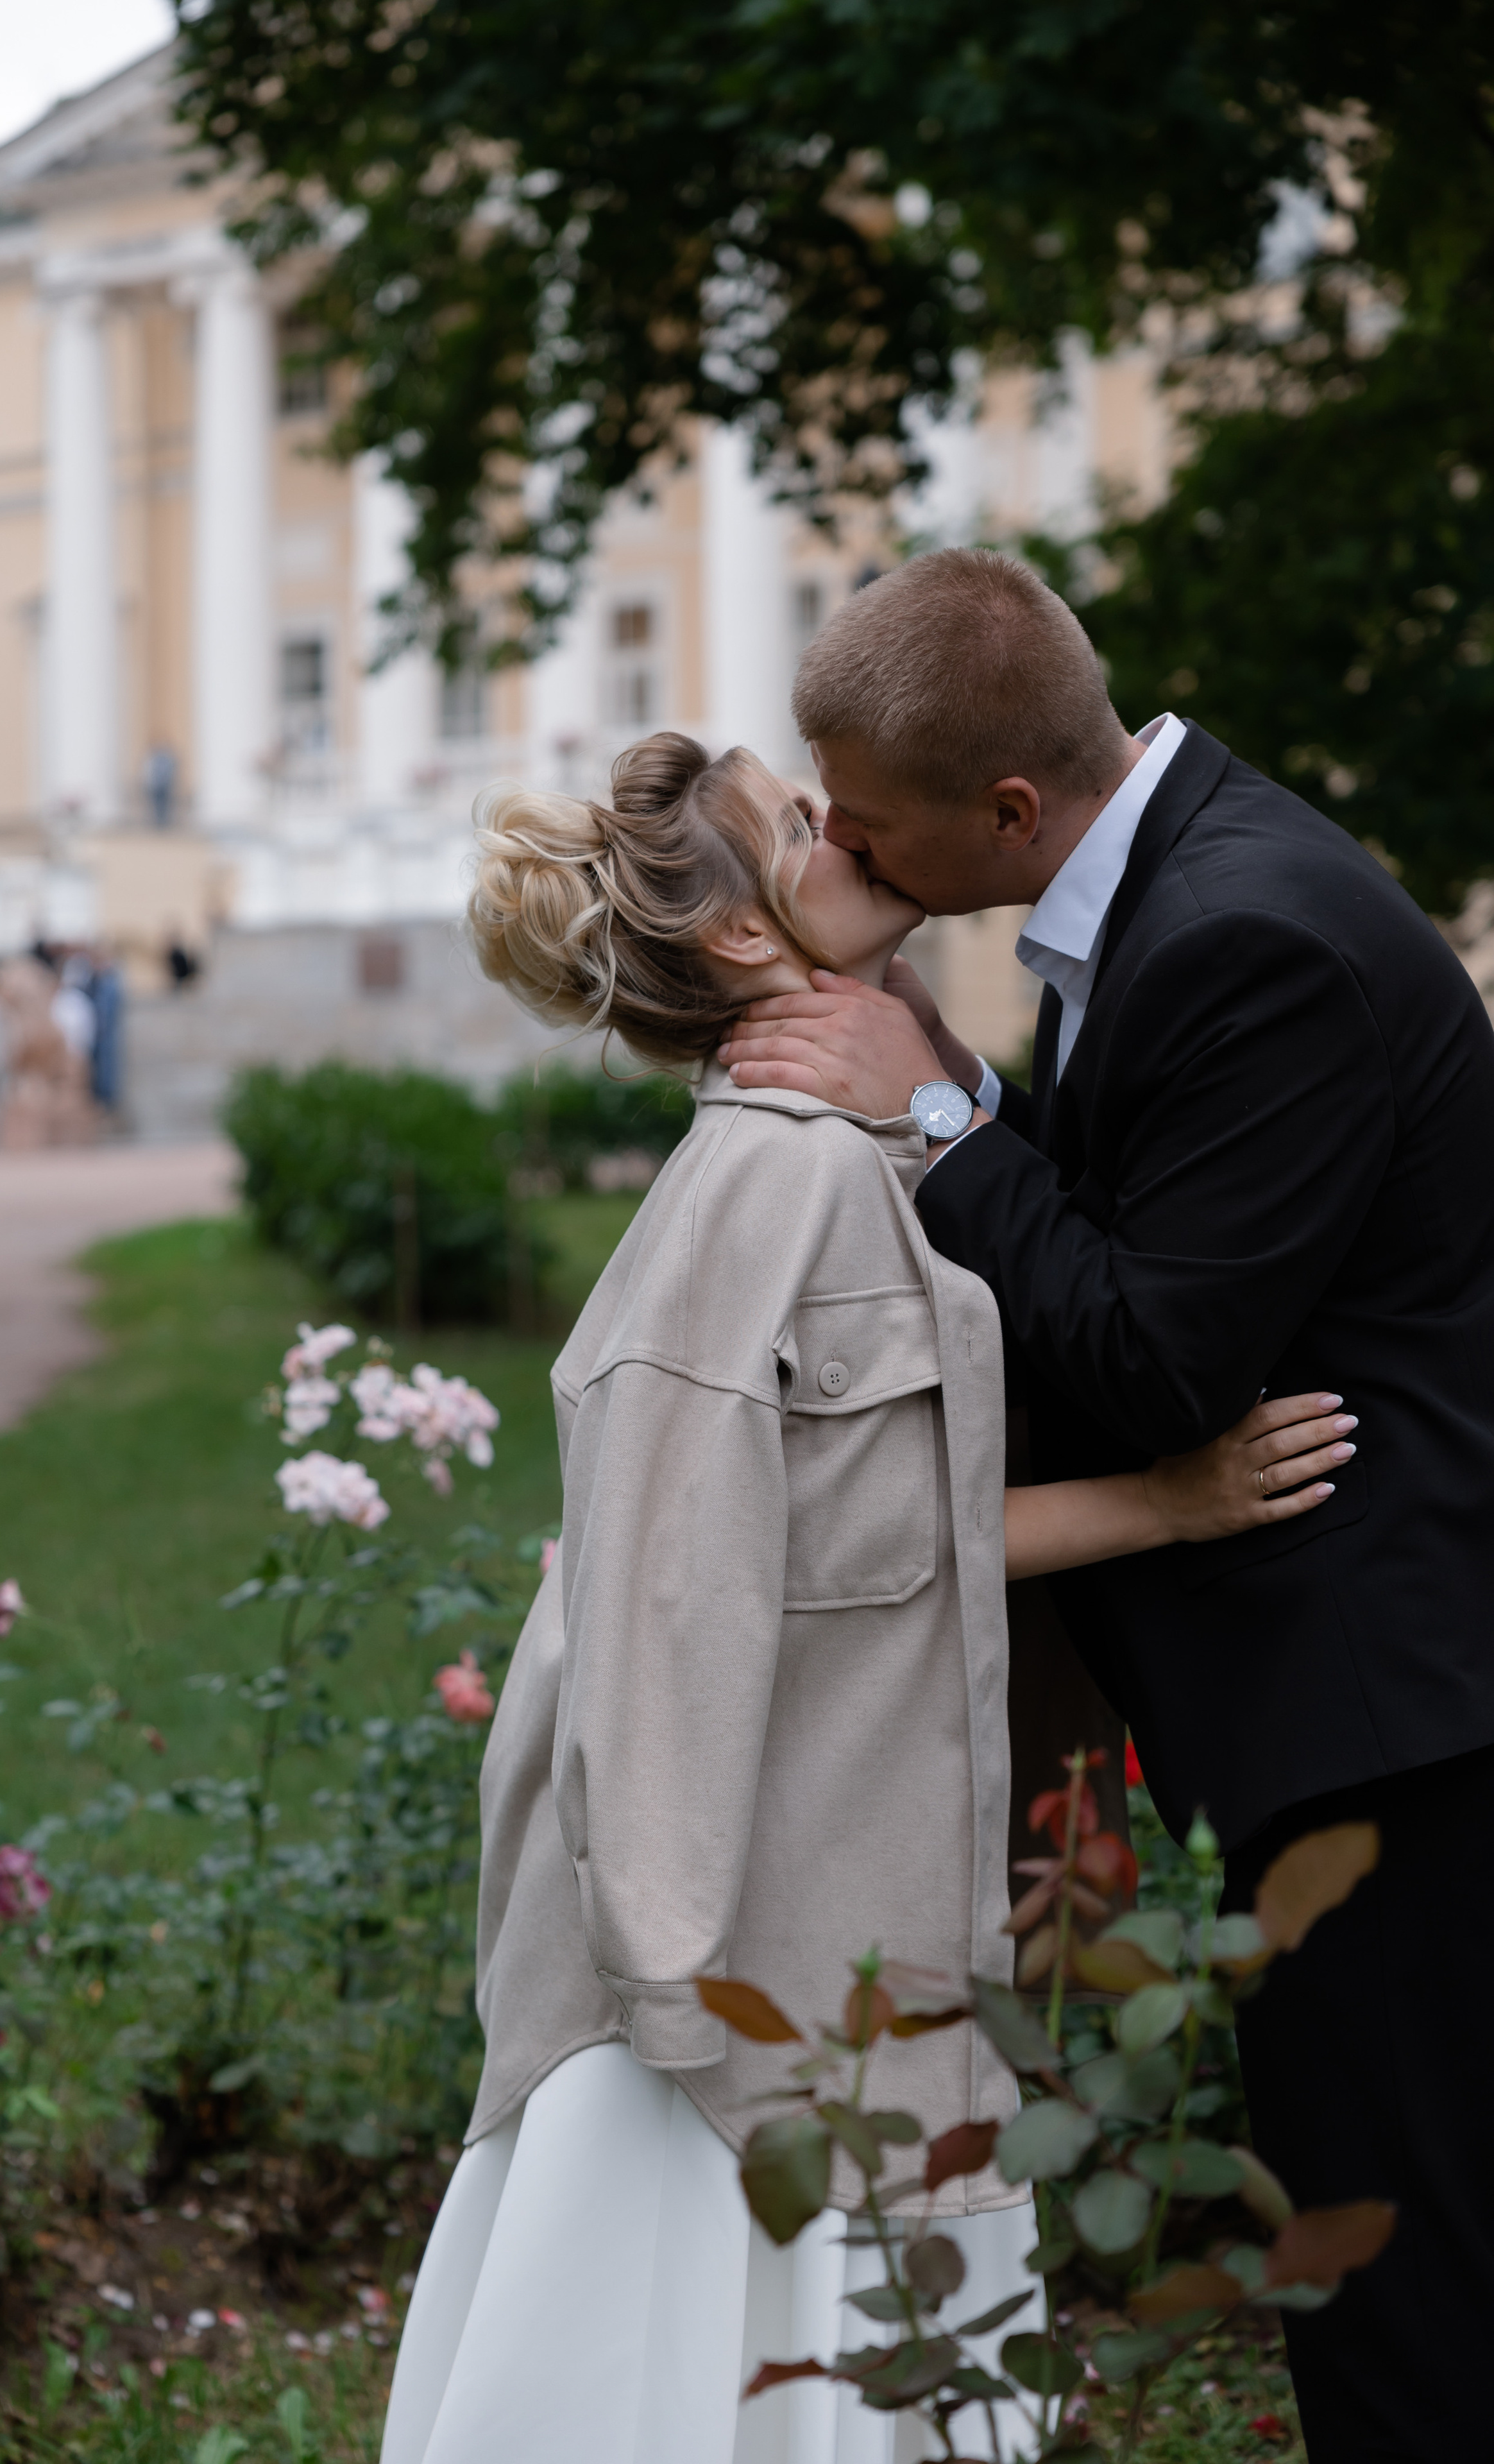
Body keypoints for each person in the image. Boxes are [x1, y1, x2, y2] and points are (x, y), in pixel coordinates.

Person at [380, 730, 1352, 2464]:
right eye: (804, 822)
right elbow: (697, 1585)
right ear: (754, 937)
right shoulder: (780, 1181)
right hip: (727, 1962)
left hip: (831, 1889)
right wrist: (1166, 1498)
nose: (852, 826)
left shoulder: (854, 1143)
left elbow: (870, 1521)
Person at [718, 548, 1494, 2461]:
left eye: (865, 822)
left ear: (1005, 809)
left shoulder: (1253, 935)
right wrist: (947, 1065)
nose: (839, 842)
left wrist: (941, 1118)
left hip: (1405, 1721)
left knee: (1410, 2291)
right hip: (1370, 1702)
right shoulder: (1168, 877)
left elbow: (1159, 1357)